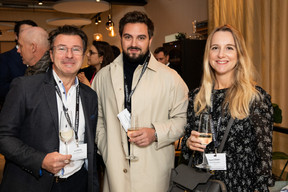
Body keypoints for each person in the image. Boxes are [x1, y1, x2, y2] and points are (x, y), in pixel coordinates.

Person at [91, 11, 188, 192]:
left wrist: (156, 132)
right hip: (115, 173)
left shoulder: (171, 78)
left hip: (154, 172)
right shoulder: (103, 77)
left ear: (150, 40)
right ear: (120, 37)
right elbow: (97, 119)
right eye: (128, 37)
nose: (134, 44)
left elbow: (183, 120)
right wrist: (106, 149)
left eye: (141, 38)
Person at [0, 25, 99, 192]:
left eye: (76, 49)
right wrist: (40, 160)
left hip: (77, 183)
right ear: (51, 54)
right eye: (62, 49)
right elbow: (3, 137)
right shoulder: (25, 87)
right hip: (34, 183)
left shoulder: (90, 96)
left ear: (82, 55)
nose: (69, 55)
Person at [181, 24, 274, 192]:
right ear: (208, 54)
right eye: (215, 48)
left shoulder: (255, 98)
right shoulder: (197, 97)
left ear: (239, 54)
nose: (221, 54)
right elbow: (187, 155)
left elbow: (264, 159)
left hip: (241, 187)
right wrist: (189, 143)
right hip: (204, 186)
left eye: (229, 48)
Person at [0, 20, 37, 111]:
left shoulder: (43, 58)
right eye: (24, 32)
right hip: (15, 112)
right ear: (16, 36)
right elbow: (2, 89)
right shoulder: (4, 59)